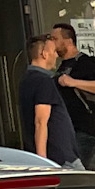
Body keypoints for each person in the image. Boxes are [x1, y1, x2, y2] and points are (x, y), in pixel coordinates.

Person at [51, 22, 95, 170]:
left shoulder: (87, 62)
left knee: (77, 172)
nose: (52, 43)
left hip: (89, 129)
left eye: (55, 39)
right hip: (74, 129)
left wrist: (73, 82)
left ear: (68, 41)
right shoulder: (62, 66)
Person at [19, 35, 80, 168]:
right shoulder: (43, 81)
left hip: (55, 157)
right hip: (60, 158)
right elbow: (41, 121)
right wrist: (43, 161)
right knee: (86, 187)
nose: (56, 56)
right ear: (44, 54)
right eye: (53, 51)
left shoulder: (26, 81)